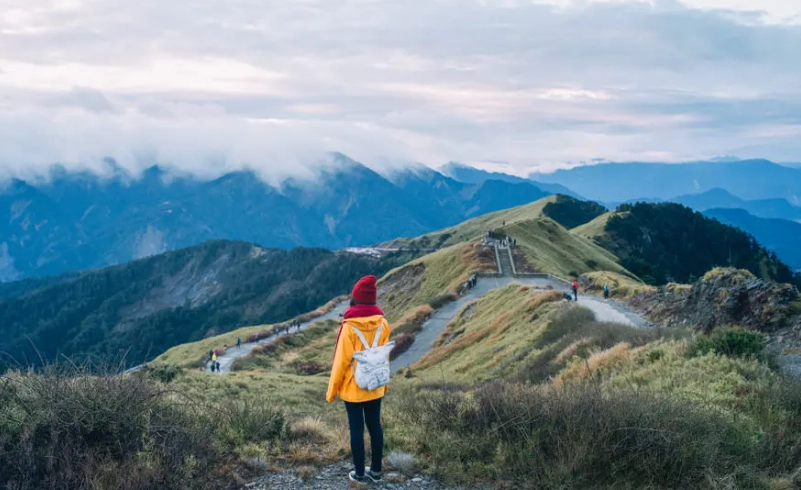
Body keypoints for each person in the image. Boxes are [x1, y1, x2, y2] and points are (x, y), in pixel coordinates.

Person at [327, 275, 390, 484]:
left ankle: (360, 474)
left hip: (353, 388)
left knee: (356, 429)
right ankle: (377, 471)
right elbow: (384, 358)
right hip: (375, 385)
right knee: (375, 426)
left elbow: (341, 362)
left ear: (356, 298)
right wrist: (384, 384)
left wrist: (332, 392)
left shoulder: (349, 327)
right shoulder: (383, 323)